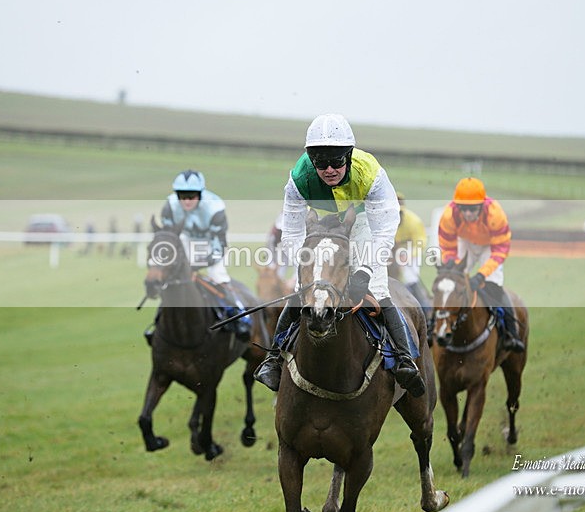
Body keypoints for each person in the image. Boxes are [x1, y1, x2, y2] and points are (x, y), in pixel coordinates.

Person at [253, 113, 426, 397]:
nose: (330, 169)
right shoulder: (298, 178)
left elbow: (384, 230)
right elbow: (293, 234)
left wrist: (364, 272)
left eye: (337, 161)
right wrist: (305, 271)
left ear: (348, 155)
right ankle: (273, 359)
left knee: (379, 287)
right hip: (321, 226)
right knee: (301, 290)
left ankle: (406, 360)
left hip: (364, 223)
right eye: (321, 163)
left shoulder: (370, 172)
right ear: (311, 160)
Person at [145, 169, 251, 342]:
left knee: (218, 276)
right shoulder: (170, 206)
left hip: (213, 243)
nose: (186, 200)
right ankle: (159, 321)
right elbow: (170, 237)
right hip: (183, 242)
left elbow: (219, 245)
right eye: (182, 195)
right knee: (169, 279)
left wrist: (195, 266)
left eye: (192, 195)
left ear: (200, 194)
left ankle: (238, 314)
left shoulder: (215, 207)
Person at [437, 177, 525, 352]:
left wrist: (481, 275)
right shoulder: (449, 216)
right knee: (448, 283)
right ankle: (432, 326)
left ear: (482, 205)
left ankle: (511, 333)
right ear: (457, 206)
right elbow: (447, 247)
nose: (468, 214)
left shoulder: (495, 214)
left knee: (493, 286)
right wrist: (454, 268)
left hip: (489, 246)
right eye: (464, 209)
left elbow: (500, 251)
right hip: (465, 242)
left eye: (473, 209)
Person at [393, 193, 433, 319]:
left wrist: (409, 256)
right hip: (390, 248)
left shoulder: (414, 221)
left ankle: (426, 310)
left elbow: (421, 243)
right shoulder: (382, 219)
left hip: (408, 248)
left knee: (410, 277)